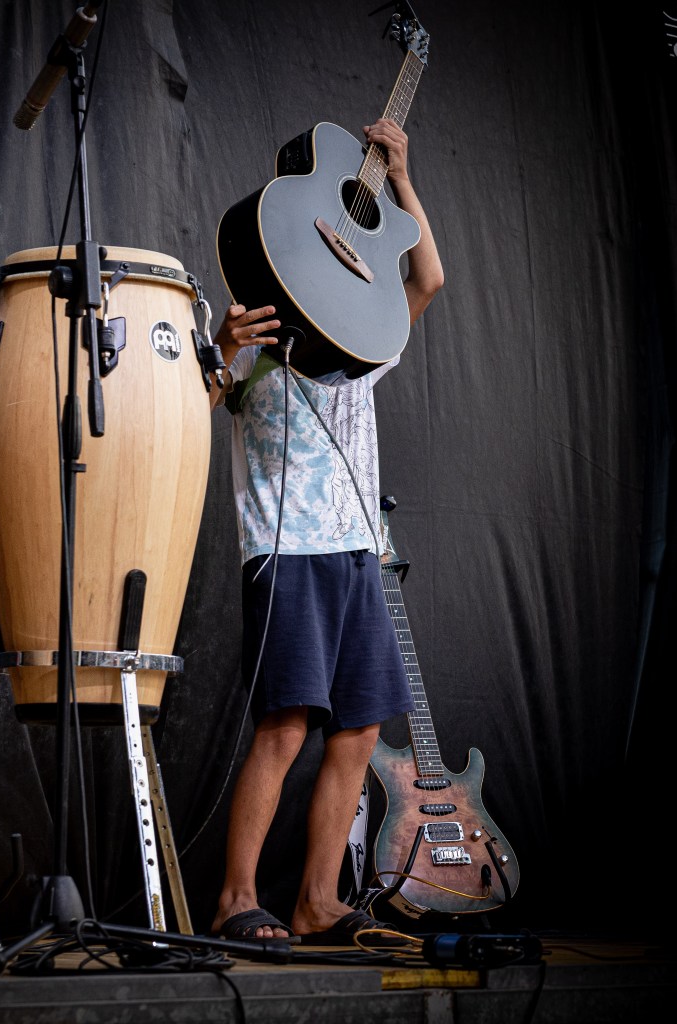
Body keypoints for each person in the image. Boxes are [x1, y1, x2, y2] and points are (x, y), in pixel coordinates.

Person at [209, 118, 444, 943]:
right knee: (286, 725)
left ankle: (315, 899)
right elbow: (190, 408)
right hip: (287, 552)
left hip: (356, 552)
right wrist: (221, 347)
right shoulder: (258, 340)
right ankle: (237, 898)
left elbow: (430, 278)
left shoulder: (366, 343)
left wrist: (405, 179)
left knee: (360, 730)